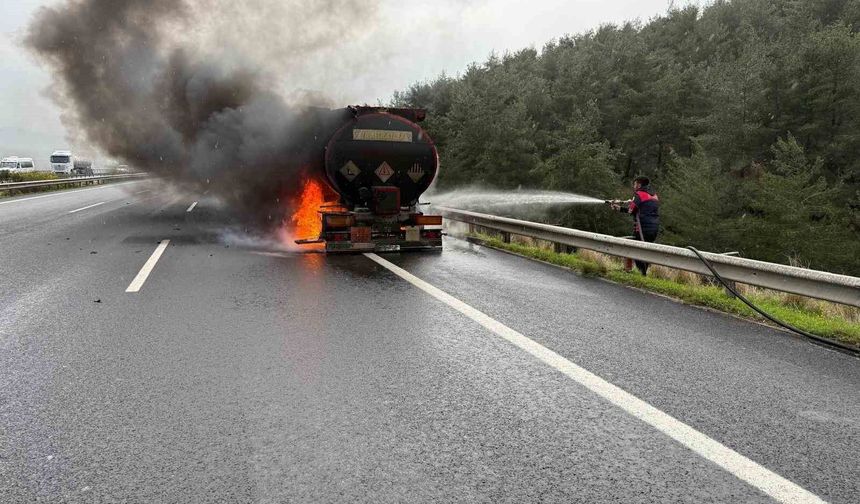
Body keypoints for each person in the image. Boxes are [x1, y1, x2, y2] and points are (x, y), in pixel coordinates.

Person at [610, 176, 660, 275]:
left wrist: (618, 208)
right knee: (645, 252)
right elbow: (639, 209)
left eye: (634, 184)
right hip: (654, 229)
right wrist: (621, 207)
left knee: (637, 252)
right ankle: (643, 274)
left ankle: (642, 275)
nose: (634, 186)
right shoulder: (654, 196)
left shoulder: (639, 194)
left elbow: (631, 210)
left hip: (642, 229)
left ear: (638, 184)